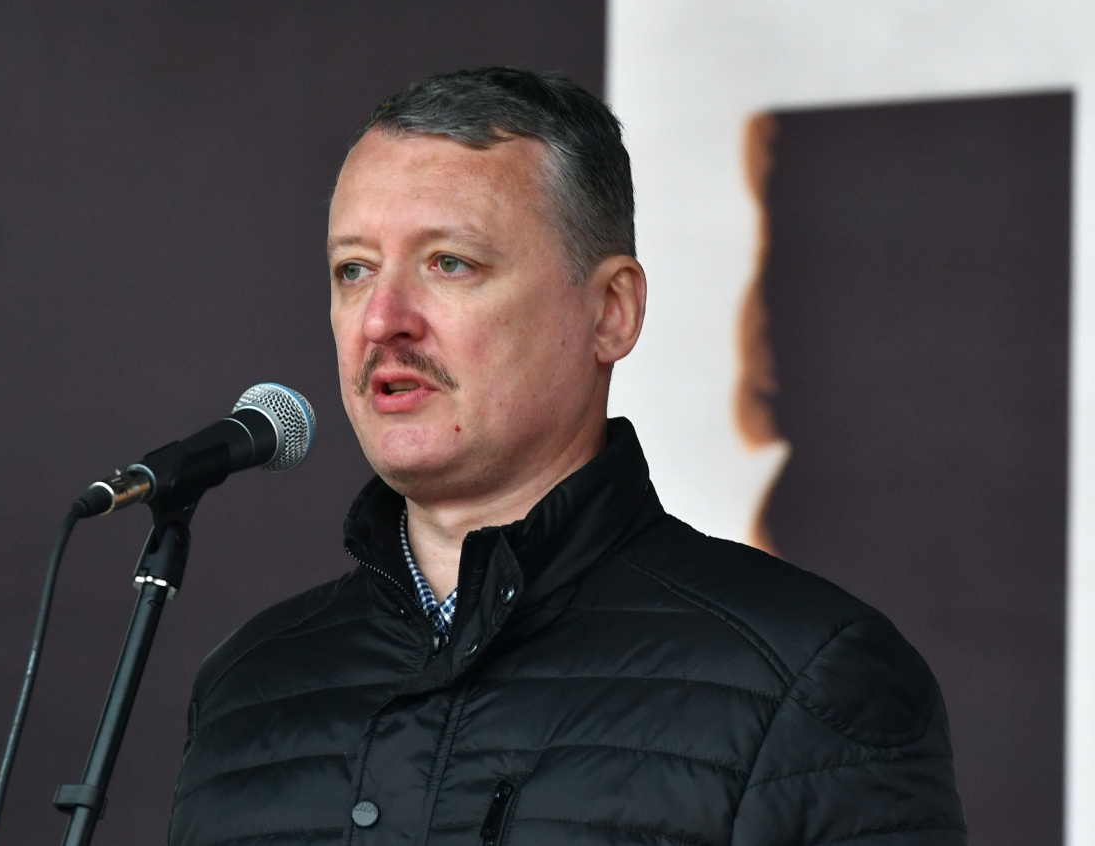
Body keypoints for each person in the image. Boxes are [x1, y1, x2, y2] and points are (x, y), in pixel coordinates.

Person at [169, 67, 966, 846]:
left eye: (451, 262)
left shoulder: (811, 679)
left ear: (611, 312)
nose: (382, 320)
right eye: (354, 270)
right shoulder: (246, 688)